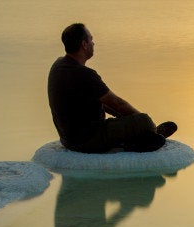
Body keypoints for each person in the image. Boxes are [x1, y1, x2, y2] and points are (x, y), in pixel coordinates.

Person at [48, 23, 177, 153]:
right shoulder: (84, 74)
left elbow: (103, 103)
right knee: (145, 120)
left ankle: (144, 135)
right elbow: (117, 103)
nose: (93, 43)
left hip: (68, 139)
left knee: (130, 120)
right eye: (91, 39)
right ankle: (149, 133)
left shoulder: (58, 64)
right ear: (84, 44)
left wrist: (126, 120)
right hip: (87, 140)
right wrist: (143, 122)